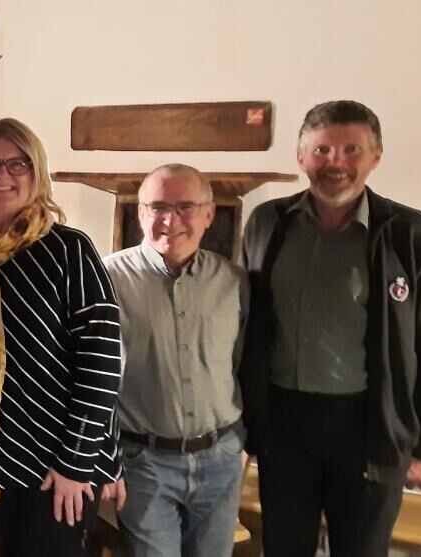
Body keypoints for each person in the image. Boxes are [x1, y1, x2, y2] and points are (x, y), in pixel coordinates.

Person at [240, 100, 421, 556]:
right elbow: (247, 328)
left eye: (351, 150)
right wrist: (249, 425)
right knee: (281, 549)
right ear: (301, 157)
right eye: (321, 150)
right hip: (284, 428)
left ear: (376, 157)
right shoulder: (267, 223)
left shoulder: (411, 234)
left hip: (368, 429)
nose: (335, 163)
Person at [0, 117, 123, 556]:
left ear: (37, 174)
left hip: (60, 467)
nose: (3, 175)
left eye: (18, 164)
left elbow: (102, 363)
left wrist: (75, 462)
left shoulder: (70, 250)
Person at [103, 164, 247, 556]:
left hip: (220, 459)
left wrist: (241, 446)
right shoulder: (106, 279)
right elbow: (90, 376)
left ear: (209, 214)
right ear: (141, 213)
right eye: (159, 207)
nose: (171, 220)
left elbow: (243, 364)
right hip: (143, 464)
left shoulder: (235, 281)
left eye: (185, 207)